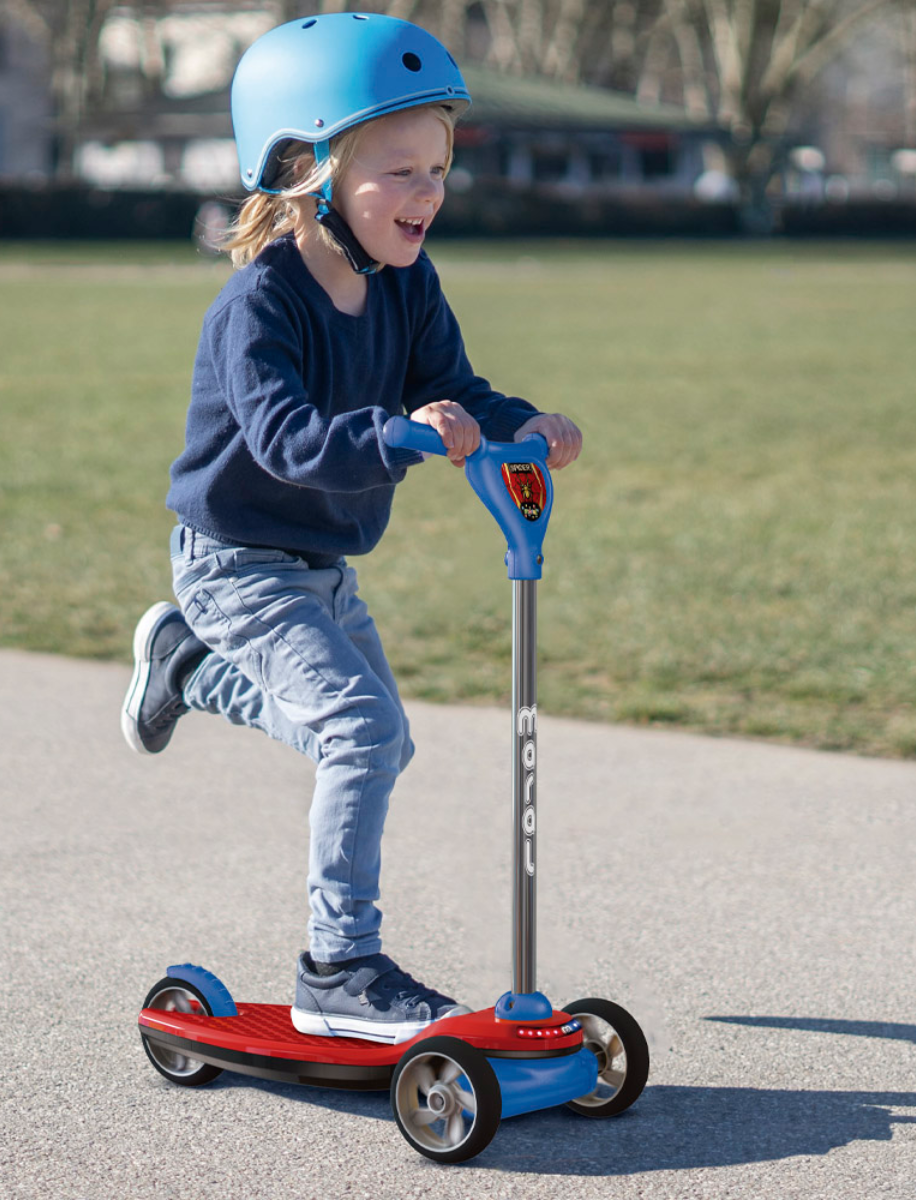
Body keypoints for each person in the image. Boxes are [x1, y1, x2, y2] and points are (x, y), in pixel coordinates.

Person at [120, 13, 581, 1045]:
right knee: (361, 733)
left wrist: (525, 425)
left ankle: (186, 672)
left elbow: (454, 388)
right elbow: (285, 440)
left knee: (380, 740)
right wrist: (400, 435)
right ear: (303, 170)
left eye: (439, 169)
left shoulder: (406, 287)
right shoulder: (259, 304)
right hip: (236, 559)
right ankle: (339, 965)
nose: (430, 194)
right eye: (401, 173)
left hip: (319, 561)